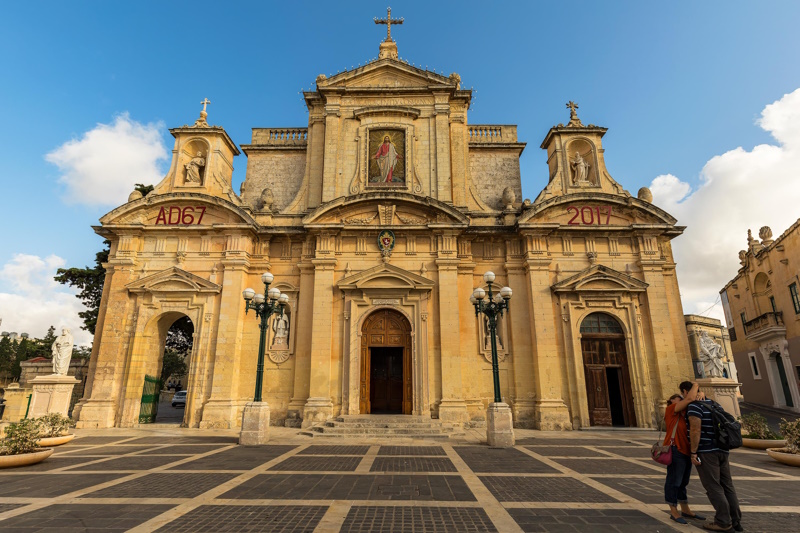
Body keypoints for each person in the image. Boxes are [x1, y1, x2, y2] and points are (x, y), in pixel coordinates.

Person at [681, 381, 742, 532]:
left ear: (684, 392)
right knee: (727, 486)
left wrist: (693, 452)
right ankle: (735, 520)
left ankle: (722, 522)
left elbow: (695, 429)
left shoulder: (695, 406)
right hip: (722, 449)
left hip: (707, 452)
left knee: (713, 486)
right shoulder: (714, 404)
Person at [663, 382, 705, 524]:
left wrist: (702, 394)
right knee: (674, 481)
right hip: (676, 449)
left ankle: (685, 509)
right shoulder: (671, 410)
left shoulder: (686, 413)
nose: (679, 399)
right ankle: (673, 511)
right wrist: (696, 385)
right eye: (676, 398)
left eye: (680, 397)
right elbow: (689, 399)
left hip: (687, 451)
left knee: (683, 482)